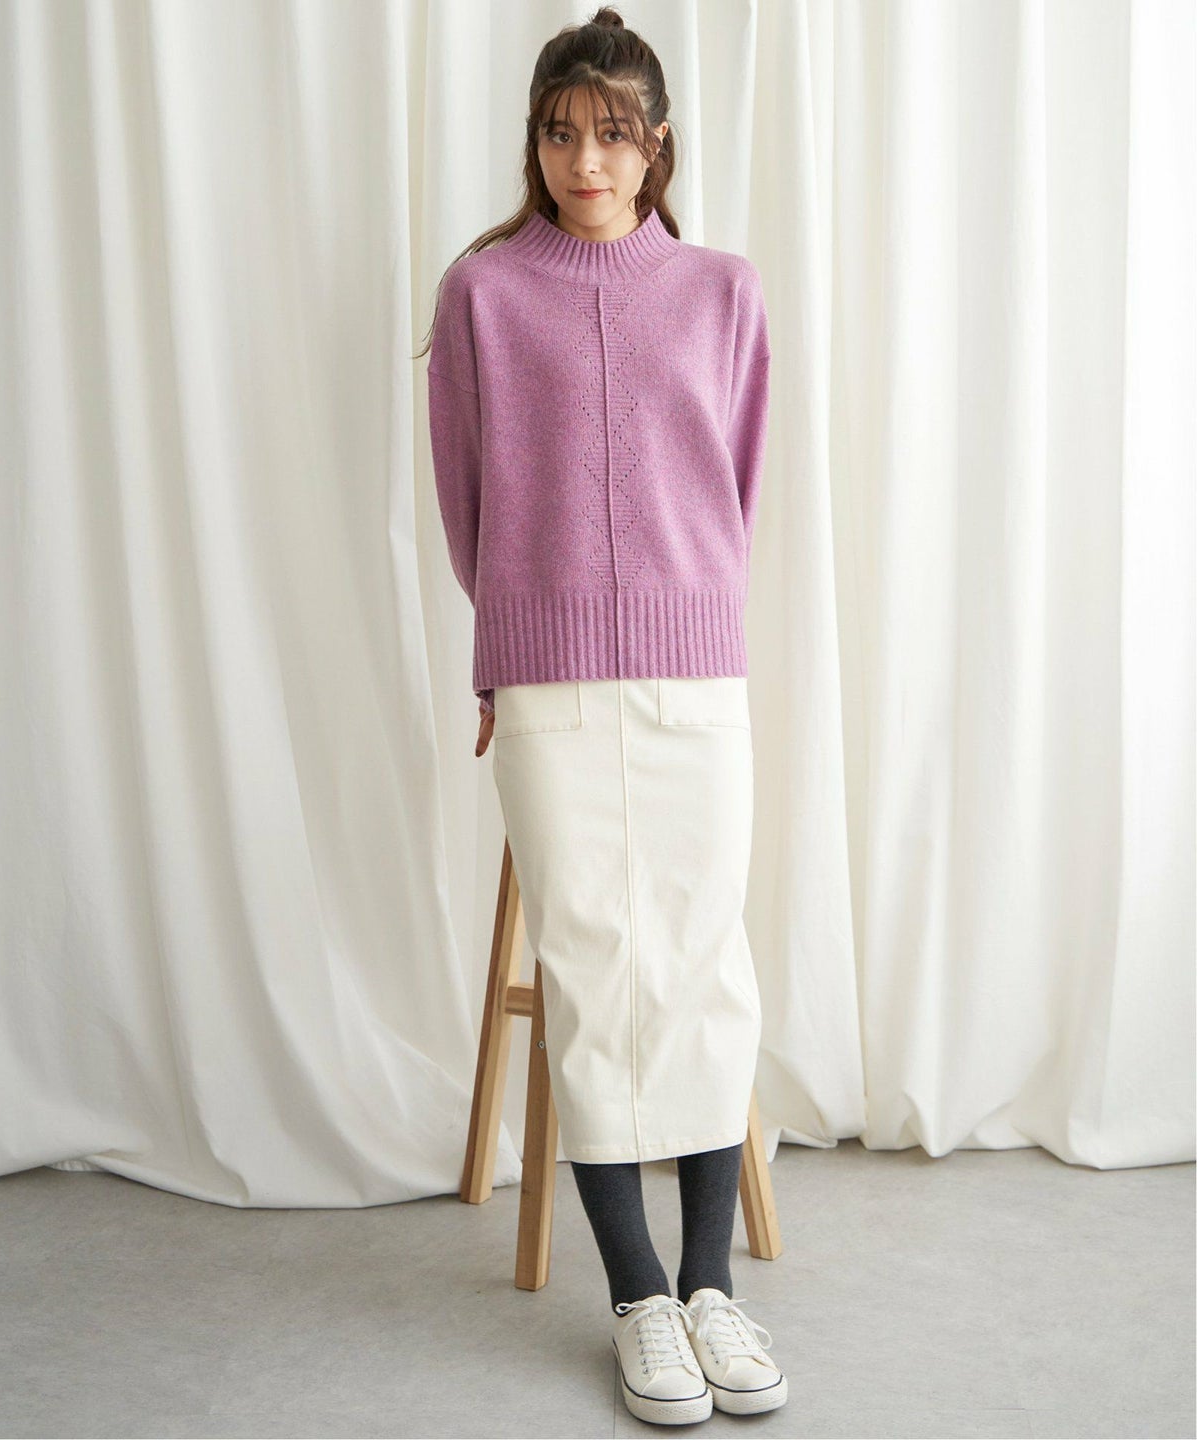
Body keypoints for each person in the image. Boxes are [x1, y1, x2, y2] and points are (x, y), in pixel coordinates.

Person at [419, 6, 786, 1425]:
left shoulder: (724, 292)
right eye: (563, 133)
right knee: (591, 974)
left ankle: (712, 1293)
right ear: (535, 141)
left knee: (702, 967)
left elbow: (732, 485)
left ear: (657, 144)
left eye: (615, 134)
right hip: (549, 680)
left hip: (696, 675)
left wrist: (688, 612)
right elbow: (466, 499)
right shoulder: (482, 295)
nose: (588, 159)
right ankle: (638, 1301)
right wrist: (504, 659)